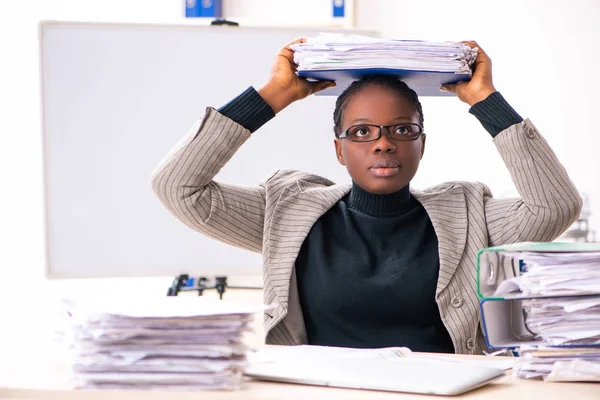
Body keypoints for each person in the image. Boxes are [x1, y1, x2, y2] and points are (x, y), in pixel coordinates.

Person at [152, 39, 582, 354]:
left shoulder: (469, 213)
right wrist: (273, 96)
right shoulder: (288, 210)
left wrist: (484, 99)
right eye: (361, 132)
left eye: (402, 129)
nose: (383, 144)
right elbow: (178, 186)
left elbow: (555, 205)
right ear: (339, 149)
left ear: (421, 143)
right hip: (321, 392)